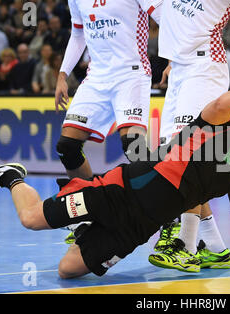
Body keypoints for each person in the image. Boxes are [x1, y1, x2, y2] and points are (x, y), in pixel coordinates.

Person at [0, 66, 230, 287]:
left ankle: (86, 231)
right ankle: (11, 177)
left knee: (67, 269)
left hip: (139, 227)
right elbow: (223, 102)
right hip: (118, 191)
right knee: (31, 219)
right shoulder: (221, 123)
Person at [153, 0, 230, 272]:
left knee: (184, 154)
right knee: (169, 156)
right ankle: (216, 248)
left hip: (204, 68)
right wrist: (173, 60)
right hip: (180, 69)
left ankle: (186, 246)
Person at [54, 0, 162, 243]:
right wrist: (63, 74)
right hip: (97, 77)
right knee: (67, 146)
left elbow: (166, 18)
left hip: (131, 73)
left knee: (135, 147)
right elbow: (78, 32)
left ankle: (167, 213)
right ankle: (90, 211)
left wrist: (174, 60)